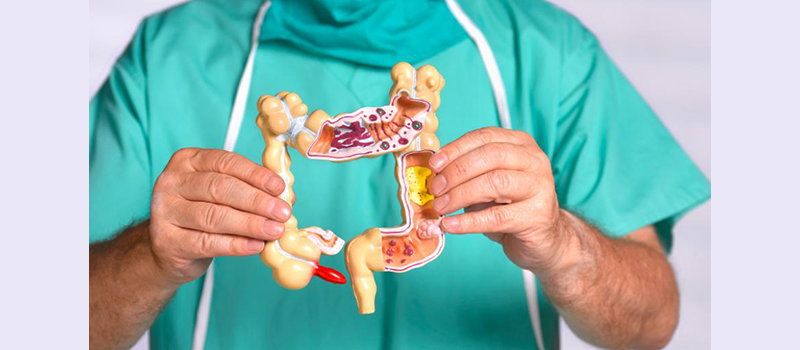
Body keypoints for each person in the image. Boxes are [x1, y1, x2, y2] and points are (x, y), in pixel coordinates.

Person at [89, 0, 711, 349]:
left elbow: (651, 323)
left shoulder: (548, 54)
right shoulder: (168, 58)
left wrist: (565, 247)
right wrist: (149, 256)